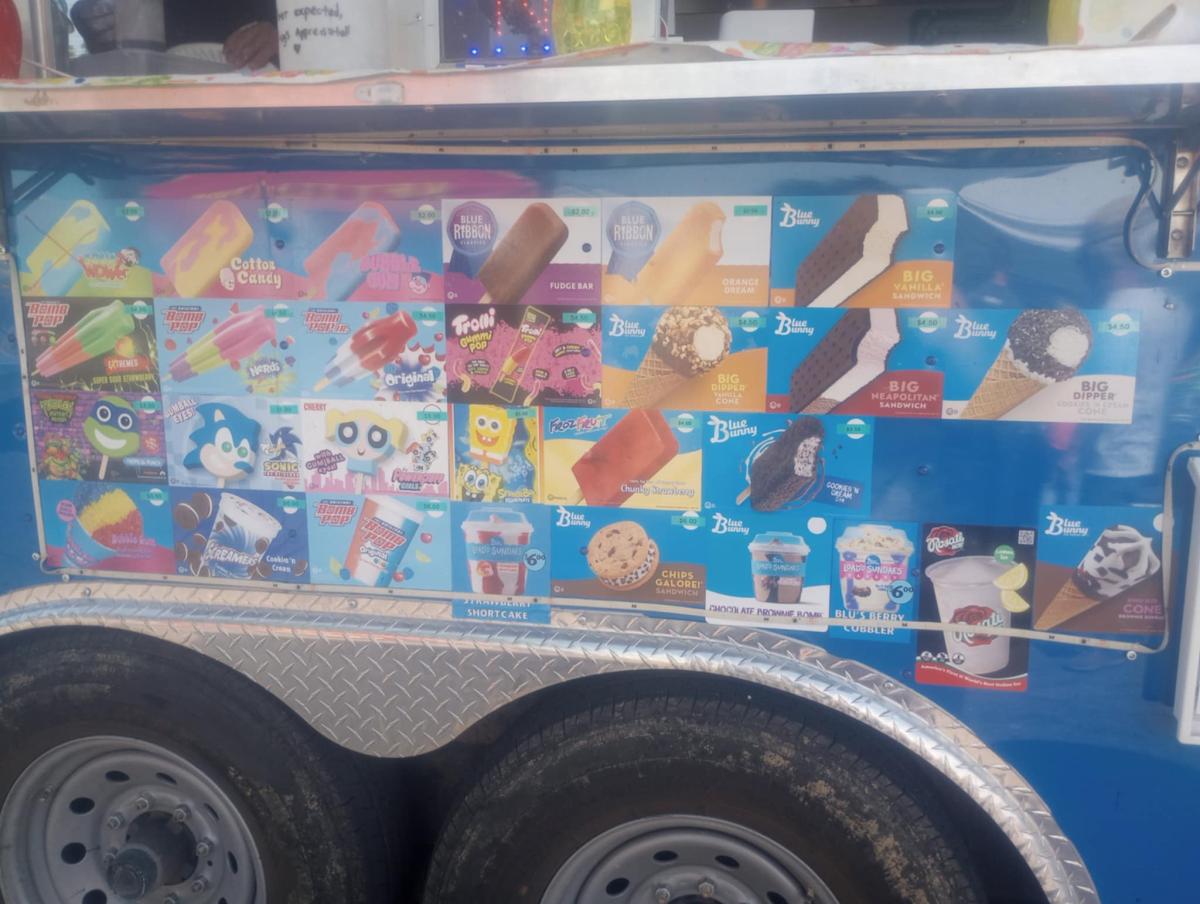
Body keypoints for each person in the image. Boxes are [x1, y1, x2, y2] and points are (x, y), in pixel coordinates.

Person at [71, 0, 278, 68]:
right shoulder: (139, 7)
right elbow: (128, 68)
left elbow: (294, 24)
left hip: (265, 121)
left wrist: (281, 35)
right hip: (159, 125)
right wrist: (97, 31)